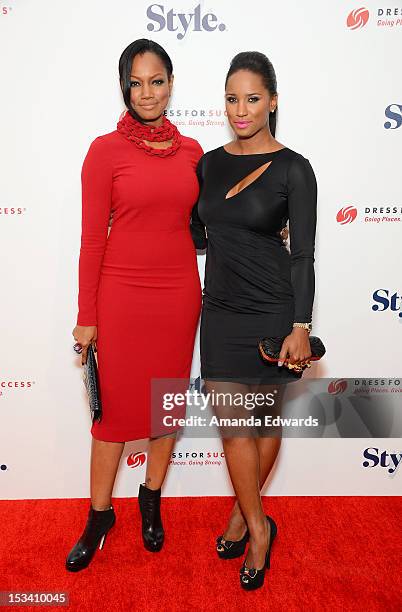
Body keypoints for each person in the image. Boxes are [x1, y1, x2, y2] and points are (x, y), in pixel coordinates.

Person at [66, 39, 203, 572]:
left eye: (158, 81)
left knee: (166, 406)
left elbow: (208, 221)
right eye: (137, 82)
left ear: (171, 84)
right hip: (120, 296)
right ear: (124, 85)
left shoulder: (193, 152)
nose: (148, 93)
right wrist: (86, 315)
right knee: (113, 418)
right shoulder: (104, 151)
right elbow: (91, 241)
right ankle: (100, 514)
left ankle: (150, 498)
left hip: (177, 295)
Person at [191, 51, 317, 590]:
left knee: (265, 423)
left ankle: (244, 515)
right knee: (233, 426)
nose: (240, 109)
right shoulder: (208, 163)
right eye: (231, 98)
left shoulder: (295, 168)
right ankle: (261, 528)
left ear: (272, 101)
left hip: (273, 311)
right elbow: (197, 231)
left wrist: (300, 326)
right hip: (219, 311)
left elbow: (303, 255)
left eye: (252, 98)